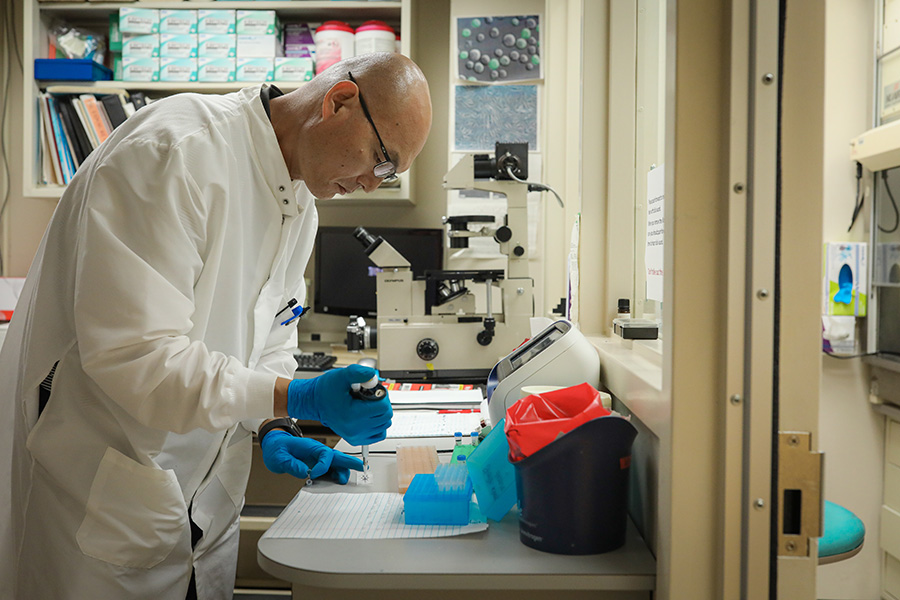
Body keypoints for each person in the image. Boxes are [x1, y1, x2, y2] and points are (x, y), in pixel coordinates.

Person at [0, 52, 432, 599]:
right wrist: (294, 398)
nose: (374, 183)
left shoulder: (300, 200)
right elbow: (139, 359)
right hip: (105, 499)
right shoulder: (175, 153)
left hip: (198, 502)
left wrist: (273, 422)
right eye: (382, 159)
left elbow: (274, 333)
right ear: (339, 102)